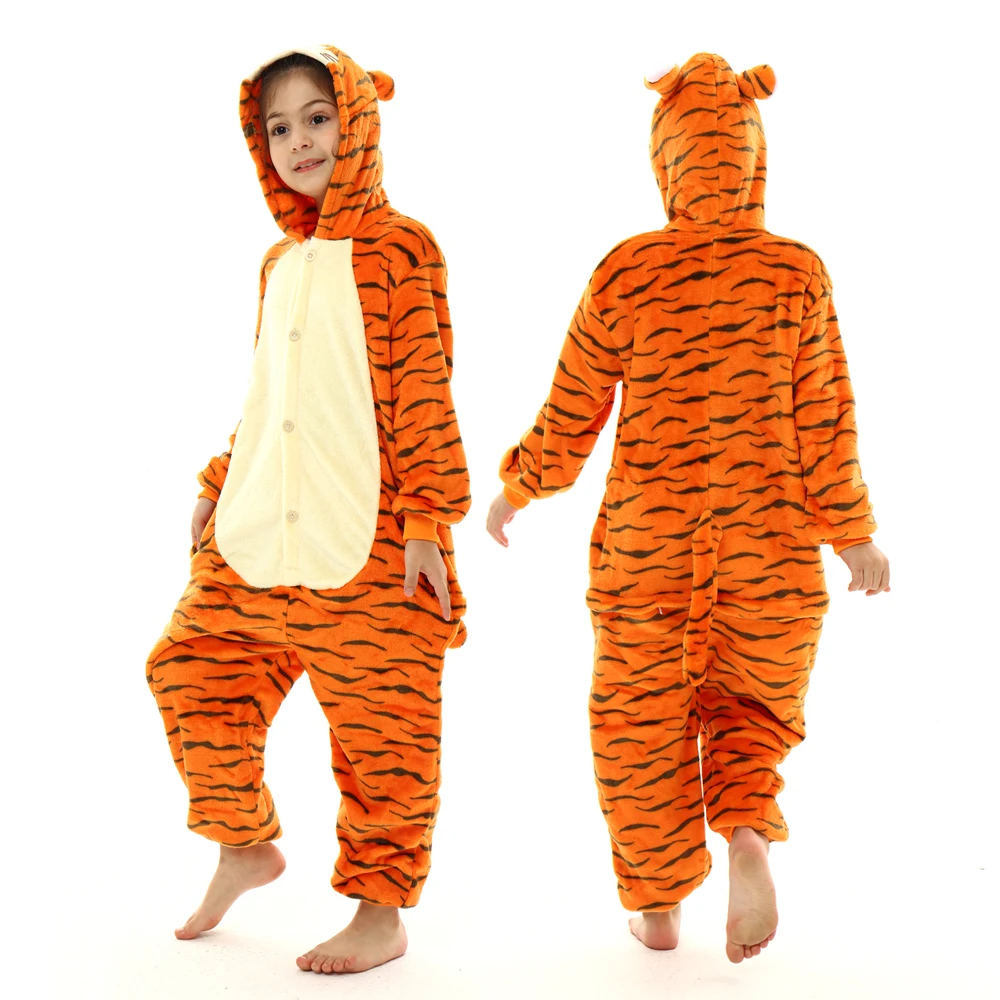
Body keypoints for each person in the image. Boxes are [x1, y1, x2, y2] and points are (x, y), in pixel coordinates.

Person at [486, 52, 890, 964]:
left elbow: (575, 403)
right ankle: (746, 834)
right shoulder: (797, 274)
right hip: (771, 553)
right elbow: (827, 416)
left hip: (649, 551)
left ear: (665, 159)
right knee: (751, 708)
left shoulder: (628, 271)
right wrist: (853, 534)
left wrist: (519, 486)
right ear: (753, 155)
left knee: (638, 721)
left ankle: (659, 905)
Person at [145, 44, 470, 976]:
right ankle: (243, 841)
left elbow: (424, 389)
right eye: (279, 127)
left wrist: (426, 521)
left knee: (383, 735)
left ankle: (379, 912)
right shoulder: (279, 262)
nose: (299, 141)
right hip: (255, 530)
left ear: (357, 124)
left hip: (368, 539)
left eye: (318, 118)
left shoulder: (402, 248)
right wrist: (218, 478)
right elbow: (274, 393)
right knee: (185, 671)